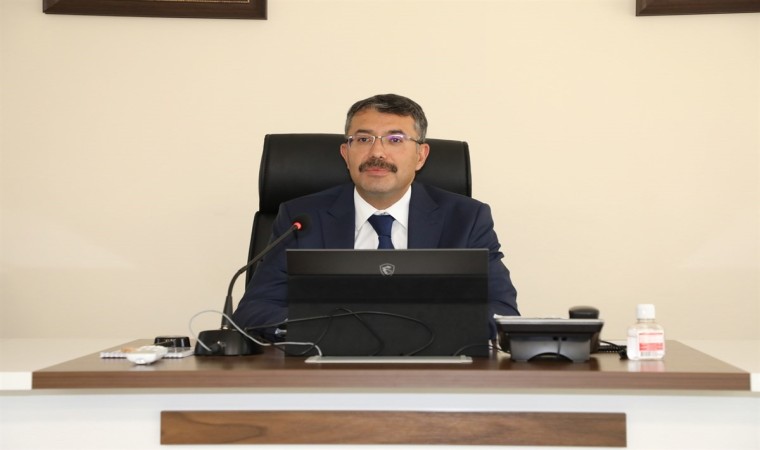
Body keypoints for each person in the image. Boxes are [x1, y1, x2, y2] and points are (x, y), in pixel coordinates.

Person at [232, 93, 518, 341]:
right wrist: (331, 330)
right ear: (346, 153)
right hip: (327, 368)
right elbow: (254, 310)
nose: (377, 152)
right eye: (363, 139)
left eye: (395, 139)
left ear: (421, 155)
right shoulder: (302, 219)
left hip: (433, 372)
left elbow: (502, 310)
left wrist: (417, 329)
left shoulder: (466, 219)